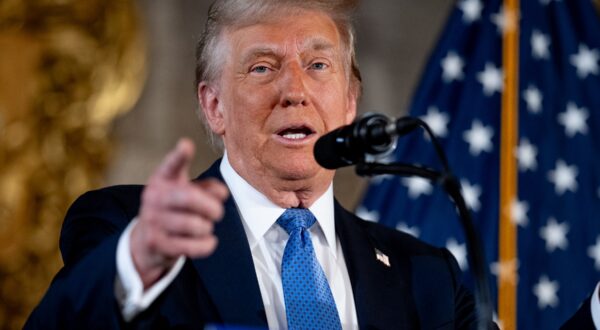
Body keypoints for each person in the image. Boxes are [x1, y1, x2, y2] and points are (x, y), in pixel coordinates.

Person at [24, 0, 596, 329]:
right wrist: (137, 260)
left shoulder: (426, 278)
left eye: (318, 66)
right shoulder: (125, 229)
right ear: (213, 105)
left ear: (350, 103)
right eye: (262, 68)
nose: (294, 90)